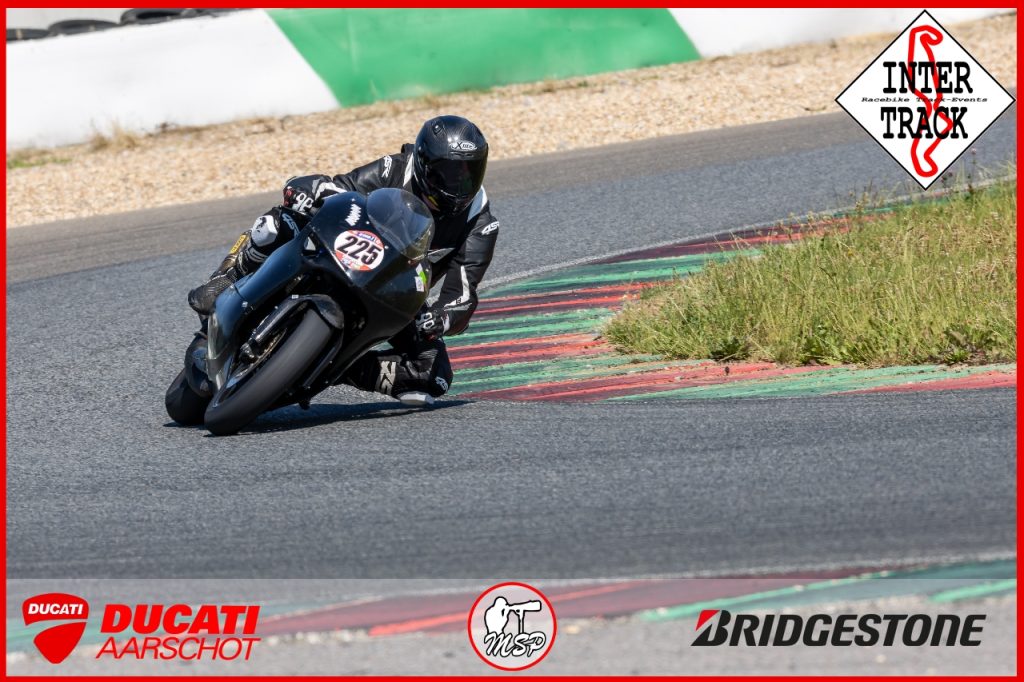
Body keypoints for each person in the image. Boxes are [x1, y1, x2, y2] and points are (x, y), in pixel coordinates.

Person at [182, 115, 498, 410]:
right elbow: (342, 188)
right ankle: (228, 276)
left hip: (397, 291)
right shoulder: (396, 168)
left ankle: (336, 368)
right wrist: (308, 191)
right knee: (279, 223)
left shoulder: (480, 224)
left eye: (470, 172)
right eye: (450, 173)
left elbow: (462, 295)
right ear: (424, 163)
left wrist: (442, 318)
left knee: (434, 376)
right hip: (346, 250)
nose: (460, 184)